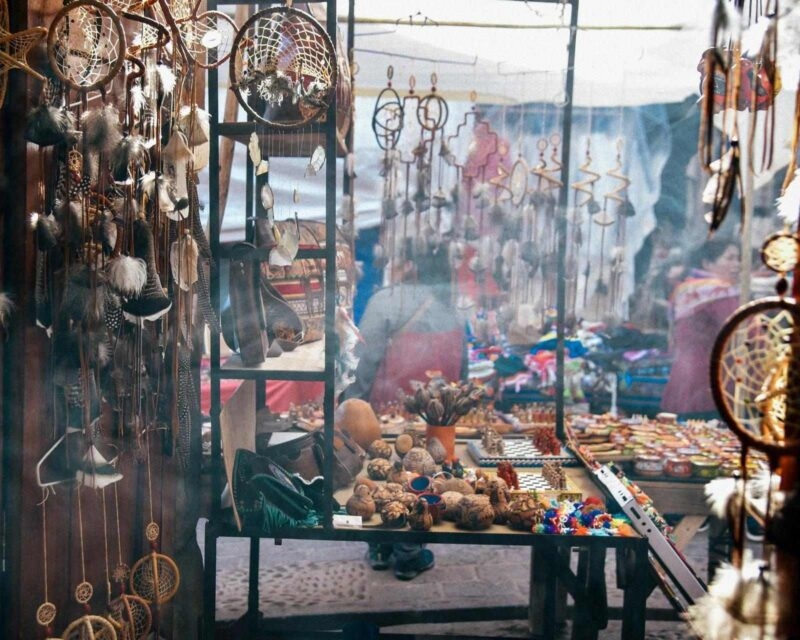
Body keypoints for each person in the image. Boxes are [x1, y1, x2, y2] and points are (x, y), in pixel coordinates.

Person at [341, 239, 468, 580]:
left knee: (384, 471)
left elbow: (363, 358)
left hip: (387, 407)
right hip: (435, 415)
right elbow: (464, 369)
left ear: (410, 266)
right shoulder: (454, 308)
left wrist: (353, 403)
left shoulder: (386, 302)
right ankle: (408, 551)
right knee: (421, 476)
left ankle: (383, 545)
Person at [660, 238, 741, 419]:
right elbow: (743, 332)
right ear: (707, 263)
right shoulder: (719, 292)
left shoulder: (685, 289)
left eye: (738, 258)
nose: (737, 264)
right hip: (710, 382)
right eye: (729, 258)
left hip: (682, 376)